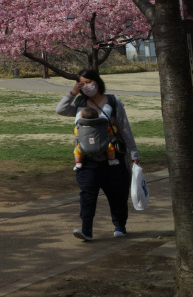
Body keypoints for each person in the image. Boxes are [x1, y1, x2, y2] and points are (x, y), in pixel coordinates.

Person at [56, 69, 139, 241]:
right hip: (86, 159)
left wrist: (133, 153)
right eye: (82, 83)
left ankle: (119, 225)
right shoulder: (80, 102)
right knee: (87, 195)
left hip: (112, 158)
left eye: (88, 82)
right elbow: (61, 110)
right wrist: (73, 92)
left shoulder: (113, 102)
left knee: (117, 194)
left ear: (97, 81)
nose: (85, 86)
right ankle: (86, 230)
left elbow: (124, 129)